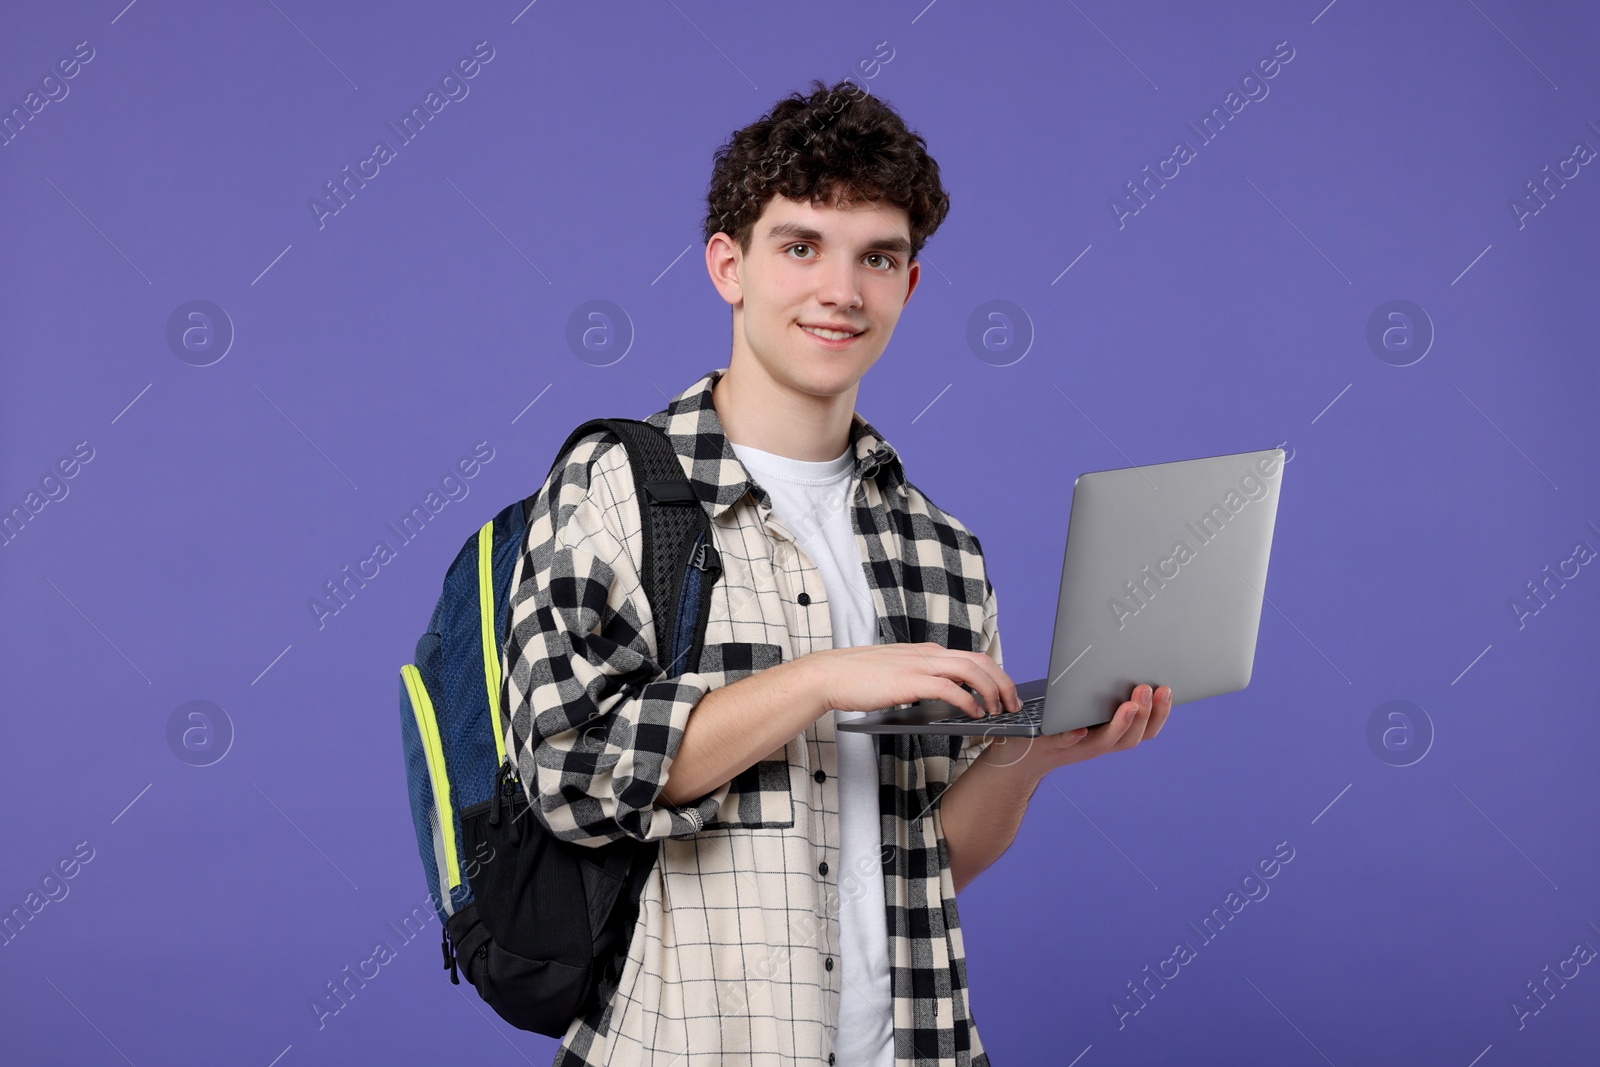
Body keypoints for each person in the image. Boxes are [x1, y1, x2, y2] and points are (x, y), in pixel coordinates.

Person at [501, 78, 1173, 1067]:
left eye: (879, 257)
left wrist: (1034, 753)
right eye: (802, 245)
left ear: (909, 284)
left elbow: (928, 861)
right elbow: (573, 772)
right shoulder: (617, 488)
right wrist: (822, 677)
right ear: (728, 265)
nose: (841, 291)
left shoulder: (941, 548)